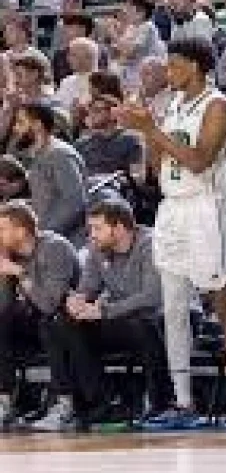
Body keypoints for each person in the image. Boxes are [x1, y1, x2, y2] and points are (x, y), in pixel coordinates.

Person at [119, 38, 226, 430]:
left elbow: (199, 160)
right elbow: (153, 170)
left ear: (195, 67)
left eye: (174, 65)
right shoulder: (173, 105)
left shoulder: (218, 105)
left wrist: (152, 129)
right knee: (174, 308)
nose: (168, 72)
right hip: (173, 208)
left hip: (207, 207)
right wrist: (146, 131)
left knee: (224, 302)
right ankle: (183, 402)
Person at [44, 199, 174, 430]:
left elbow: (153, 297)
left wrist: (103, 311)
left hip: (165, 317)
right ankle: (101, 402)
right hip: (123, 319)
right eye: (90, 228)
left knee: (144, 326)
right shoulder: (98, 248)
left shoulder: (151, 244)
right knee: (60, 325)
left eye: (98, 228)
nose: (92, 235)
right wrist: (77, 301)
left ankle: (158, 403)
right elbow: (87, 288)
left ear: (120, 228)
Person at [0, 201, 82, 431]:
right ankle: (4, 402)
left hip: (66, 321)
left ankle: (64, 408)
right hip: (34, 321)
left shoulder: (54, 247)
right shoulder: (11, 253)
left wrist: (18, 272)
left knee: (50, 325)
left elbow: (49, 304)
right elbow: (4, 308)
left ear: (22, 230)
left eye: (2, 229)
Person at [15, 102, 88, 246]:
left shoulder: (59, 154)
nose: (15, 129)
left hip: (65, 242)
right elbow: (46, 198)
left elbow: (74, 203)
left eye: (20, 122)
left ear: (37, 125)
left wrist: (42, 235)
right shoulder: (38, 155)